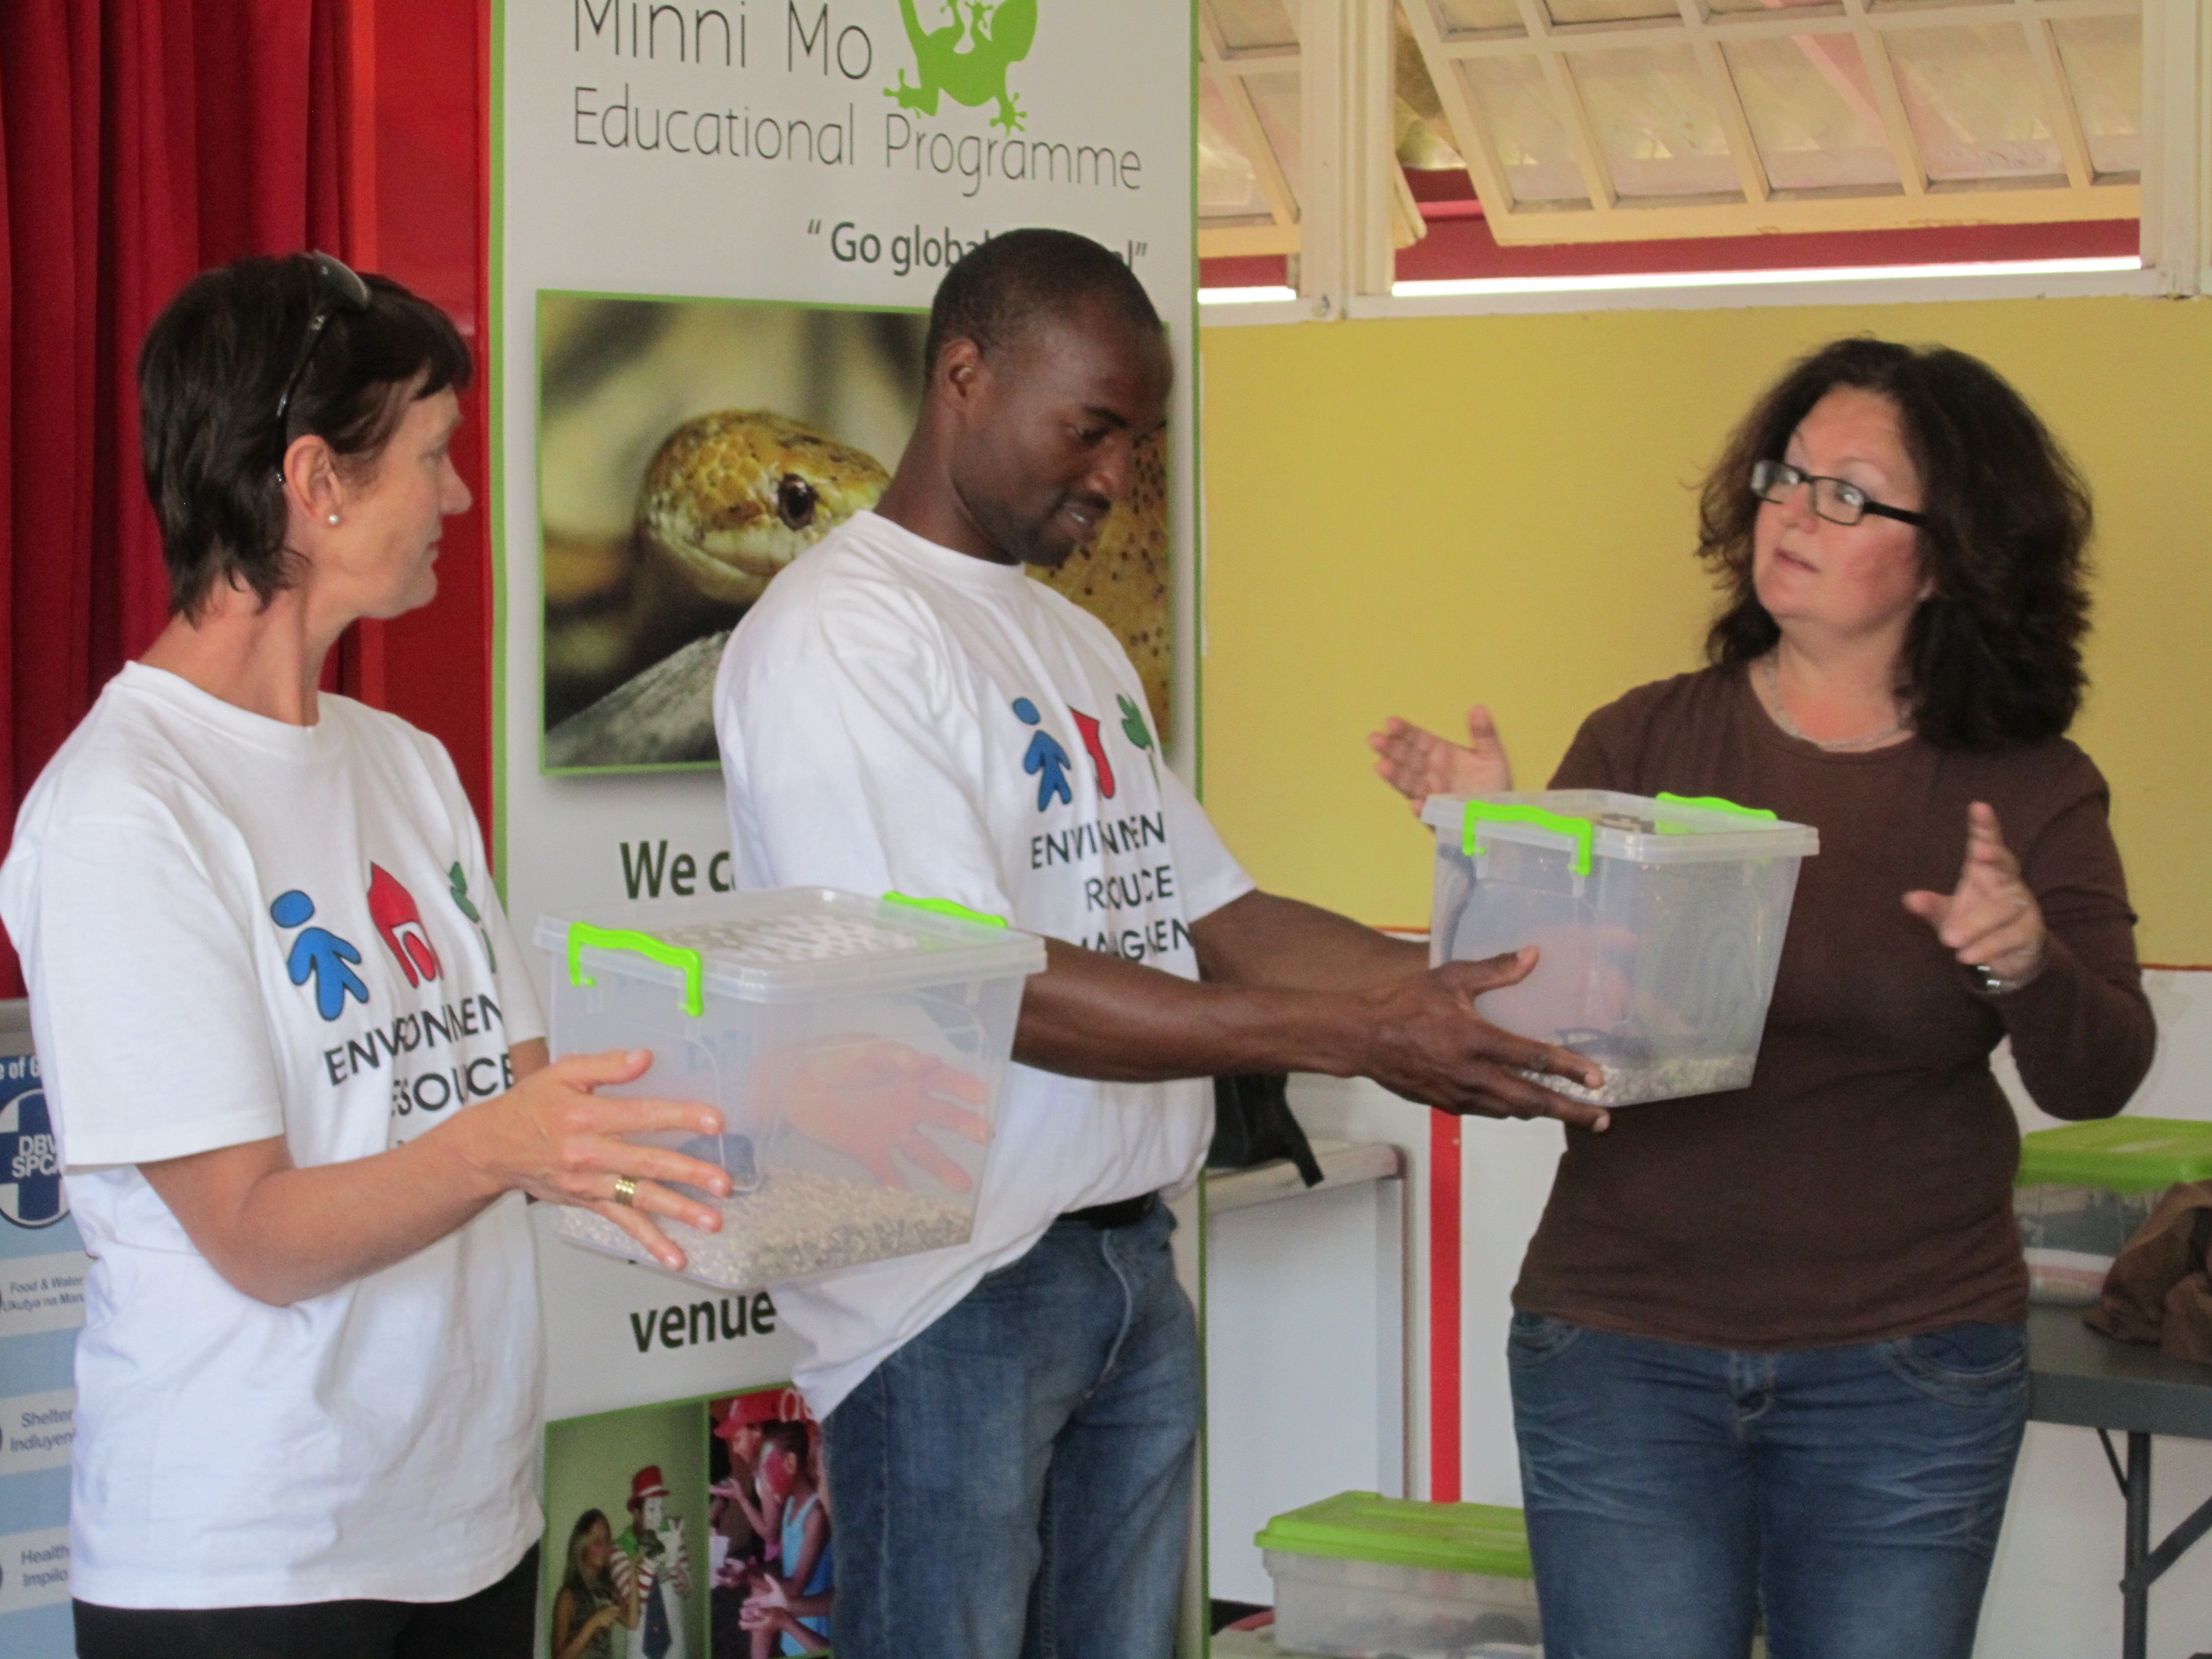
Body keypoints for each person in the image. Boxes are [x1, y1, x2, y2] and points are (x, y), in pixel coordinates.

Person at [713, 226, 1606, 1659]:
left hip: (1129, 1263)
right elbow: (977, 989)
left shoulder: (1069, 646)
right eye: (1092, 428)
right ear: (964, 376)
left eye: (1139, 440)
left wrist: (1496, 984)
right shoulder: (843, 637)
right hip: (952, 1294)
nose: (1117, 477)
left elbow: (1220, 918)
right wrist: (1361, 1034)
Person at [1370, 336, 2157, 1659]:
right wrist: (1504, 850)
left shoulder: (2030, 782)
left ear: (1950, 555)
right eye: (1785, 476)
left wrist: (2026, 961)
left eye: (1849, 493)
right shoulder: (1645, 737)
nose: (1794, 512)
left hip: (1908, 1367)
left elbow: (2102, 1075)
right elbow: (1529, 1044)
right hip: (1622, 1347)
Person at [0, 252, 733, 1659]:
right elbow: (257, 1234)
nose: (460, 497)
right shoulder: (122, 810)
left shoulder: (405, 765)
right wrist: (509, 1142)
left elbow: (531, 1102)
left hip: (468, 1520)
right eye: (434, 454)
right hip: (248, 1564)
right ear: (316, 481)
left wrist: (788, 1115)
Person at [738, 1421, 832, 1657]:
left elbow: (795, 1587)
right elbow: (786, 1561)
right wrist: (752, 1573)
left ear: (790, 1463)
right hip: (792, 1620)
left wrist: (747, 1576)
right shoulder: (790, 1504)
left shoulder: (816, 1516)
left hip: (812, 1627)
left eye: (769, 1471)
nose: (767, 1483)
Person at [613, 1467, 694, 1659]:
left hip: (675, 1648)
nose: (659, 1517)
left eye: (661, 1508)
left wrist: (674, 1564)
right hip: (639, 1652)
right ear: (636, 1512)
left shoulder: (672, 1533)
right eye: (651, 1509)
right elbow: (634, 1607)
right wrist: (650, 1560)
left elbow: (686, 1591)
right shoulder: (619, 1550)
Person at [552, 1511, 637, 1659]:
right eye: (597, 1542)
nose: (604, 1547)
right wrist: (594, 1623)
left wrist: (633, 1569)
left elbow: (632, 1622)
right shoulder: (569, 1595)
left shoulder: (608, 1589)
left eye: (607, 1540)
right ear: (582, 1546)